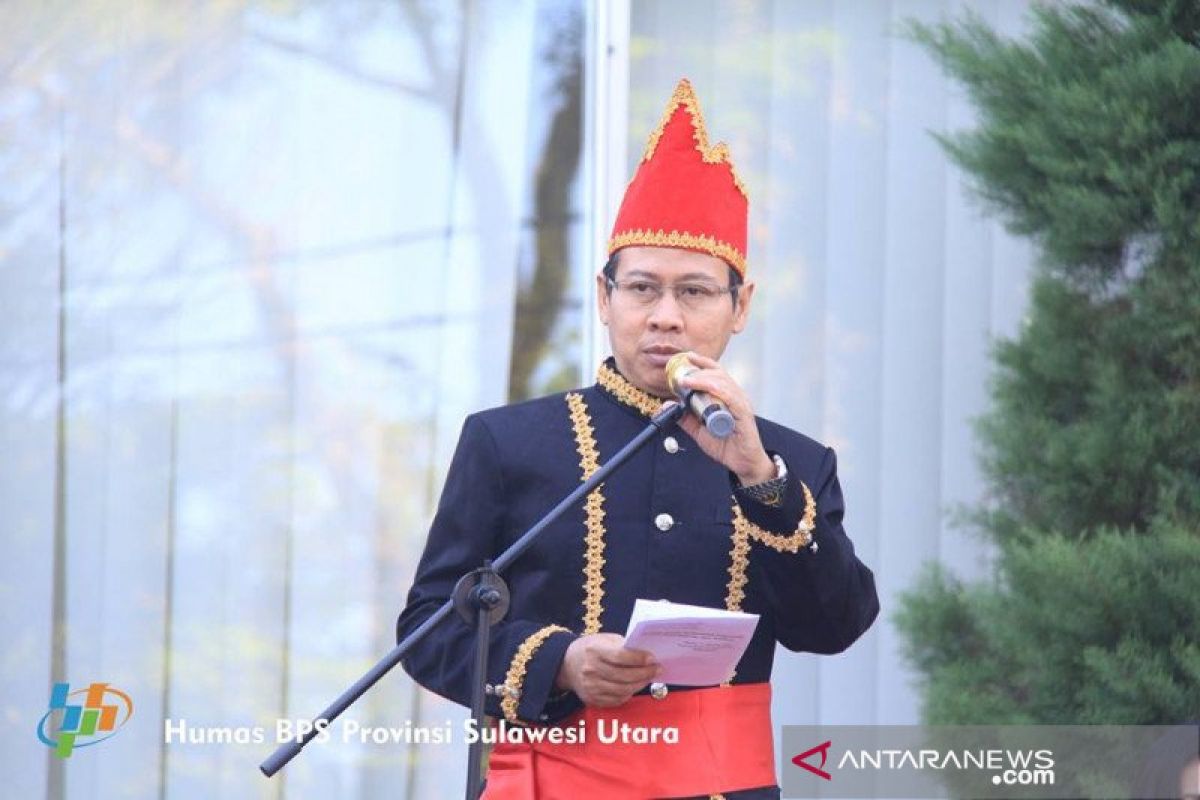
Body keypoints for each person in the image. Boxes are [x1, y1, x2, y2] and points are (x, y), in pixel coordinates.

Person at [396, 77, 879, 799]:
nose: (665, 317)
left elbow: (835, 626)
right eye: (642, 288)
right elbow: (429, 630)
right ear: (604, 297)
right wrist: (559, 662)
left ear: (740, 306)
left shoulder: (792, 463)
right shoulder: (508, 442)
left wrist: (762, 482)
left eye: (695, 291)